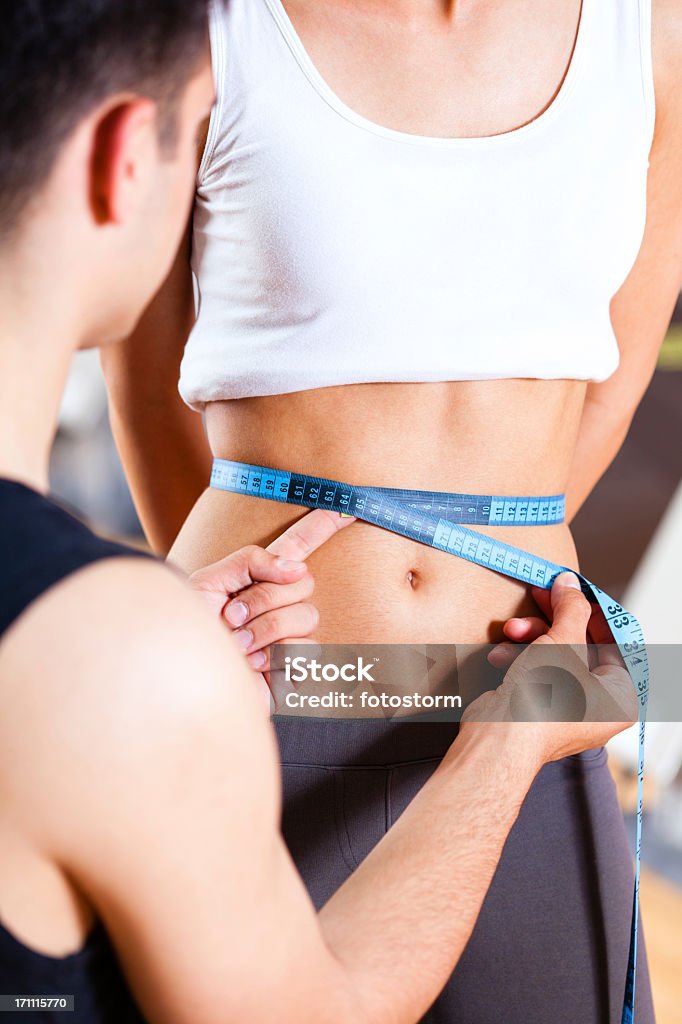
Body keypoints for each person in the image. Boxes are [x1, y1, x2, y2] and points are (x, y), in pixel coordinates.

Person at [0, 3, 637, 1023]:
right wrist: (198, 658)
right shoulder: (197, 29)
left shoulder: (644, 33)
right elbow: (152, 382)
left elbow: (607, 387)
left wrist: (483, 570)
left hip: (526, 683)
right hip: (268, 675)